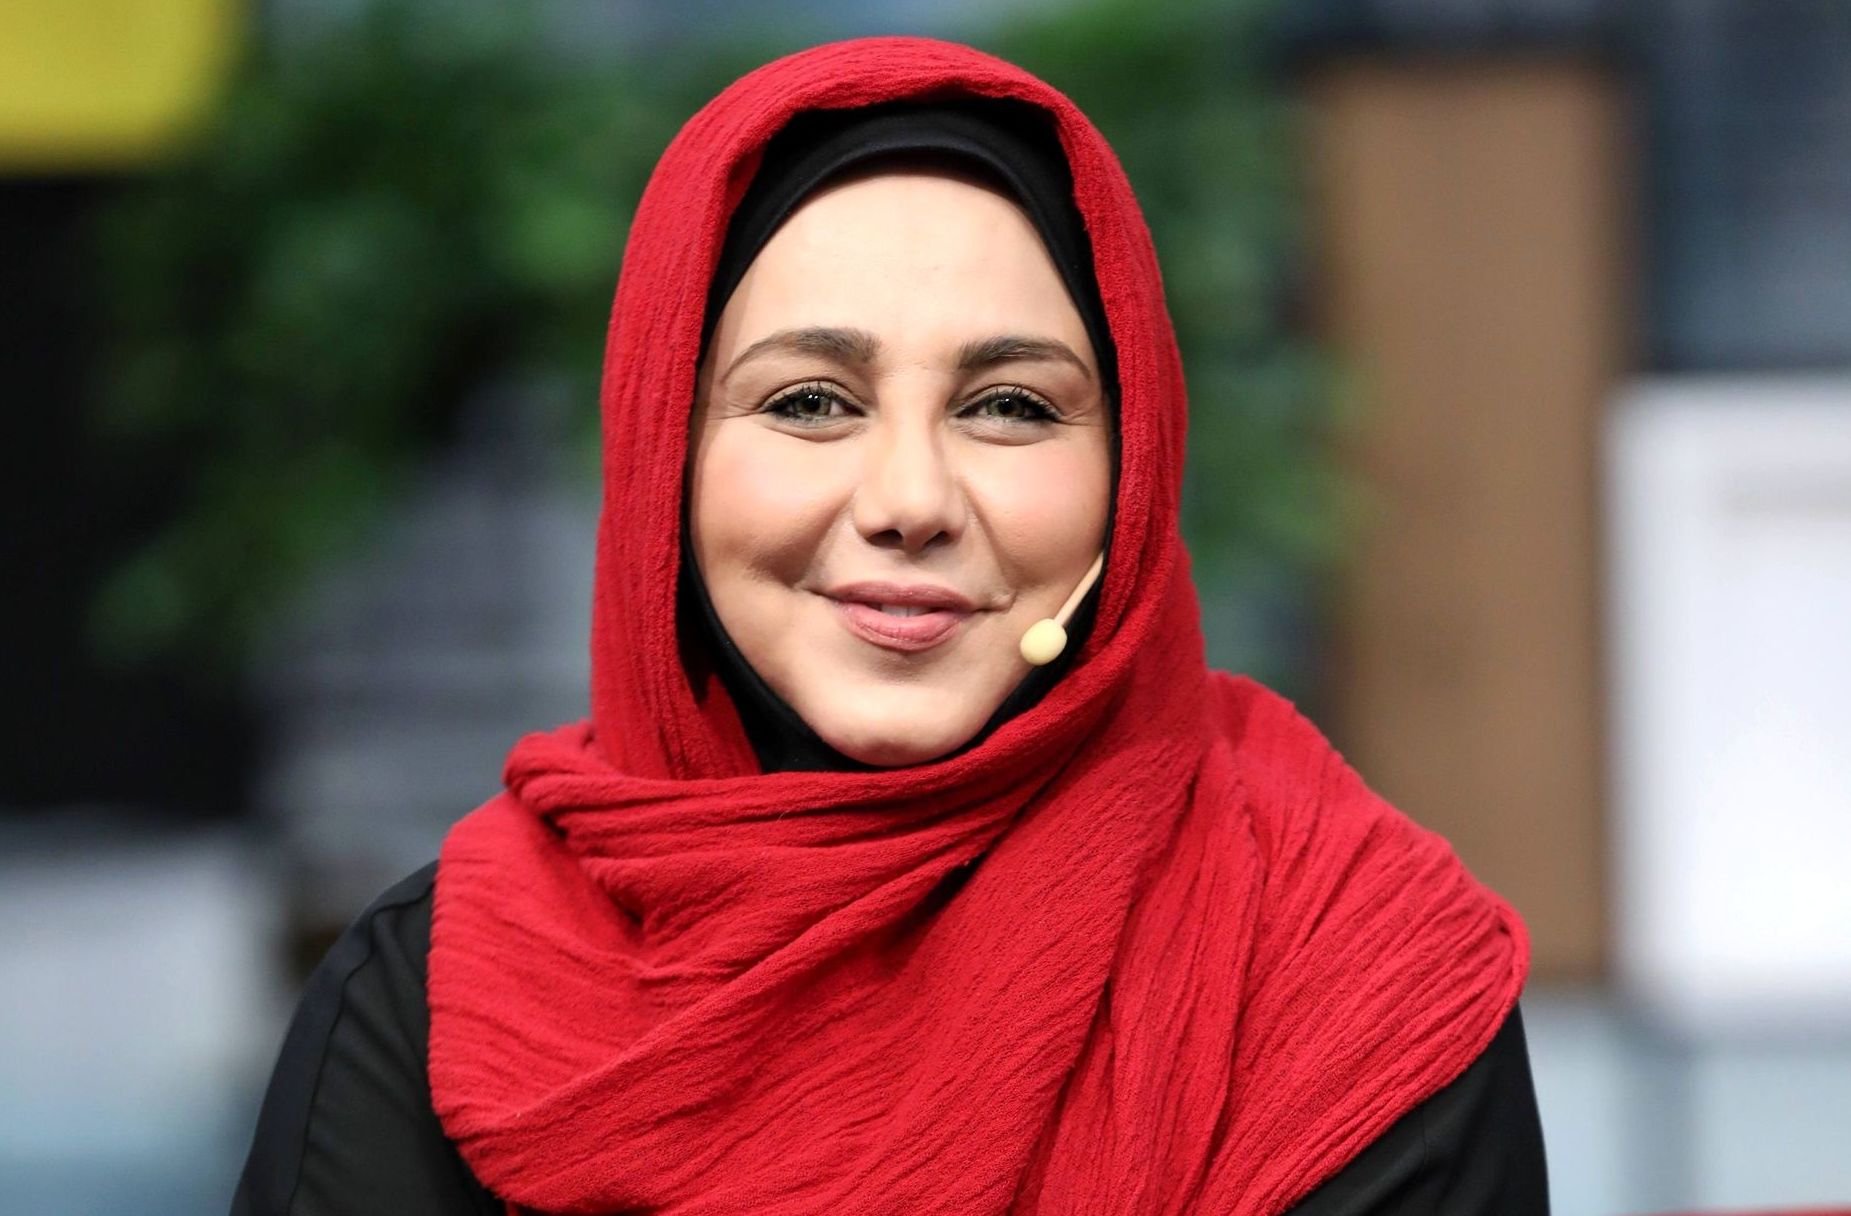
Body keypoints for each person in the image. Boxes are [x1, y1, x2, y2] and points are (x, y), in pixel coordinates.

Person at [230, 35, 1547, 1216]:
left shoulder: (1347, 968)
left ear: (1133, 470)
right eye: (808, 401)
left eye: (1011, 407)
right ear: (666, 456)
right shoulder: (440, 998)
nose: (909, 501)